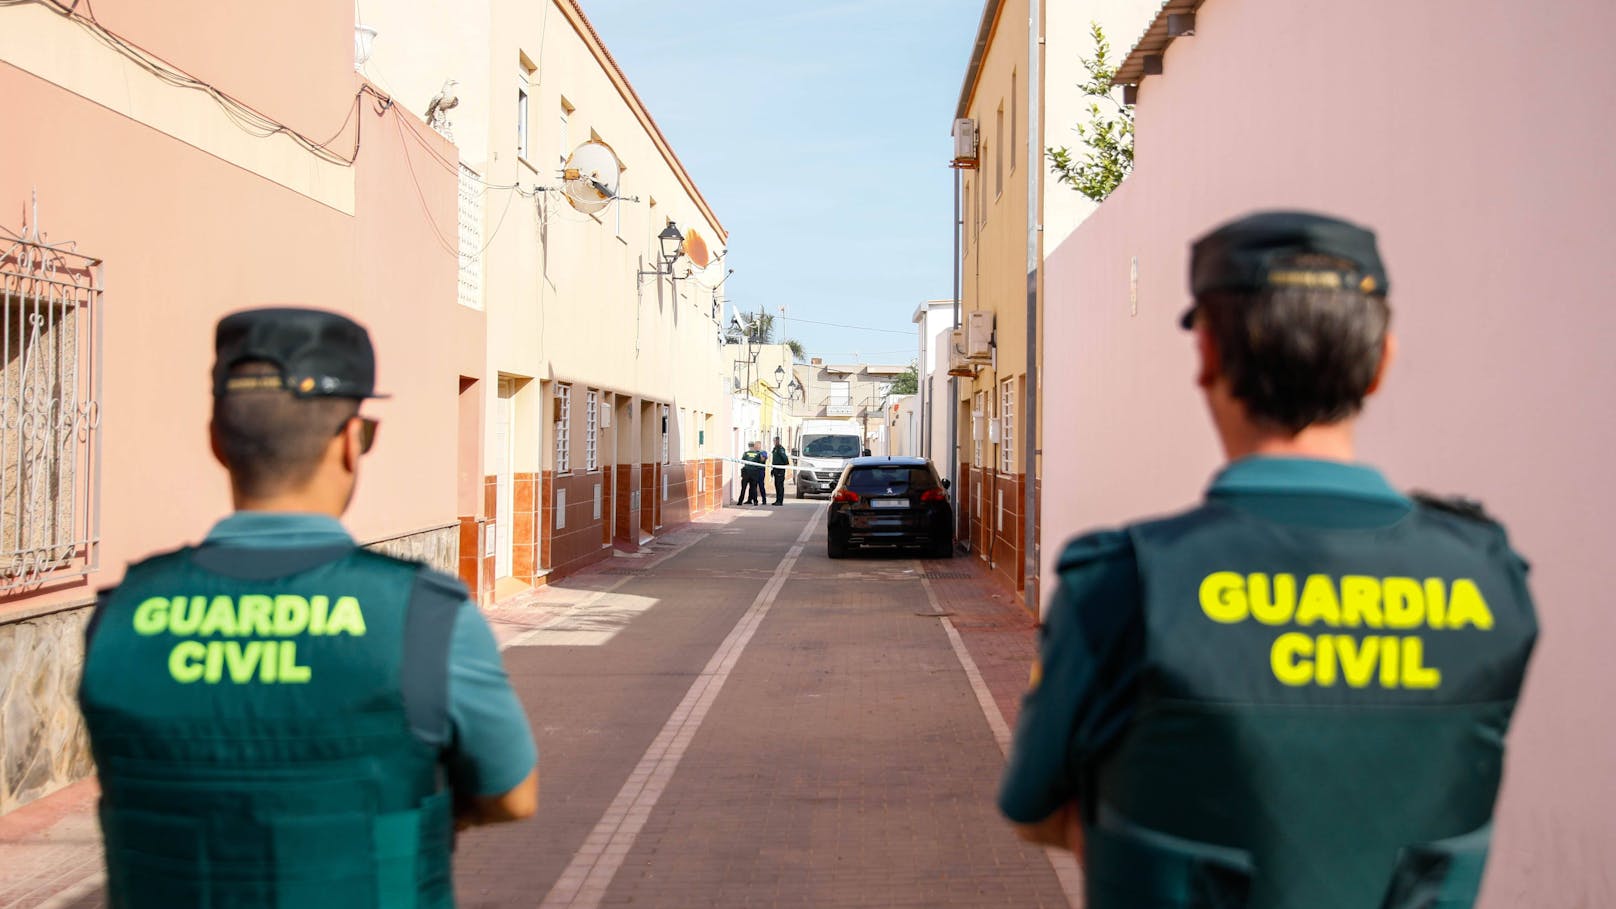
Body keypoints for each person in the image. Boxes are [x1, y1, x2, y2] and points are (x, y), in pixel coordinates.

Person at [998, 212, 1537, 909]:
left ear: (1210, 356)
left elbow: (1036, 801)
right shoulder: (1490, 579)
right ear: (1381, 364)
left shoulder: (1122, 584)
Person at [79, 308, 539, 908]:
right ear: (352, 442)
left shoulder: (119, 616)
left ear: (216, 442)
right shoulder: (426, 615)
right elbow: (513, 794)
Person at [739, 441, 765, 505]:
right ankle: (755, 502)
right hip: (754, 473)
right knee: (754, 488)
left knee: (743, 488)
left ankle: (740, 502)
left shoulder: (745, 453)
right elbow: (761, 462)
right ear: (754, 446)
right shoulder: (758, 454)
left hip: (746, 473)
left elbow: (742, 461)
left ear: (748, 446)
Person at [770, 436, 789, 506]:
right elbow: (774, 459)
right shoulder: (775, 449)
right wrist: (772, 469)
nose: (774, 442)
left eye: (775, 441)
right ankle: (777, 500)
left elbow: (784, 458)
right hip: (775, 469)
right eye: (774, 441)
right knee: (776, 485)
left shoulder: (780, 449)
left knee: (780, 485)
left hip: (780, 470)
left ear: (778, 441)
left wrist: (783, 465)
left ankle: (780, 501)